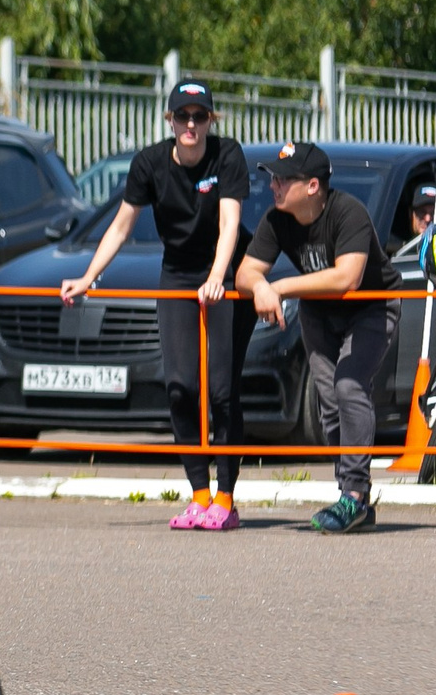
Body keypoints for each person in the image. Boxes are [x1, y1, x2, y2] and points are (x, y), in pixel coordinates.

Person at [60, 78, 251, 529]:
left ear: (210, 120)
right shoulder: (148, 163)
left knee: (222, 390)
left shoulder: (227, 155)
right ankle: (200, 495)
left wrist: (217, 278)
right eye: (182, 116)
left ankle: (226, 497)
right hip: (180, 273)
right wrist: (88, 278)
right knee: (180, 386)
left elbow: (230, 224)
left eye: (199, 116)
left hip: (225, 271)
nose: (191, 124)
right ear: (169, 120)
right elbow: (121, 227)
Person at [237, 142, 397, 534]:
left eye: (282, 179)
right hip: (319, 312)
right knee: (328, 402)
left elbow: (347, 278)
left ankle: (354, 496)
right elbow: (244, 274)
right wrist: (260, 288)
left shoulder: (348, 212)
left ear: (311, 186)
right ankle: (352, 494)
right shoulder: (277, 220)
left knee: (349, 386)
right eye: (272, 177)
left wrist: (280, 286)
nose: (272, 185)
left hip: (371, 308)